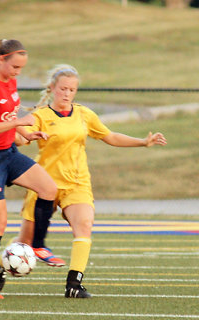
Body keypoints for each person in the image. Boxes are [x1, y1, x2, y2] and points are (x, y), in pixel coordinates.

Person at [15, 64, 167, 298]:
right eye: (63, 88)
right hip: (44, 184)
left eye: (72, 90)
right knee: (26, 242)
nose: (67, 93)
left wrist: (142, 142)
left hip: (77, 184)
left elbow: (110, 136)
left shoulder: (84, 114)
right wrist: (8, 131)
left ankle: (74, 284)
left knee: (84, 225)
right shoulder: (40, 116)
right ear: (53, 88)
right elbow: (21, 139)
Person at [0, 39, 64, 292]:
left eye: (21, 68)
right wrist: (19, 122)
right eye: (15, 67)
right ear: (2, 59)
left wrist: (25, 134)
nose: (17, 72)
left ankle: (37, 245)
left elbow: (7, 119)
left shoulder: (11, 82)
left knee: (48, 189)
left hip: (8, 153)